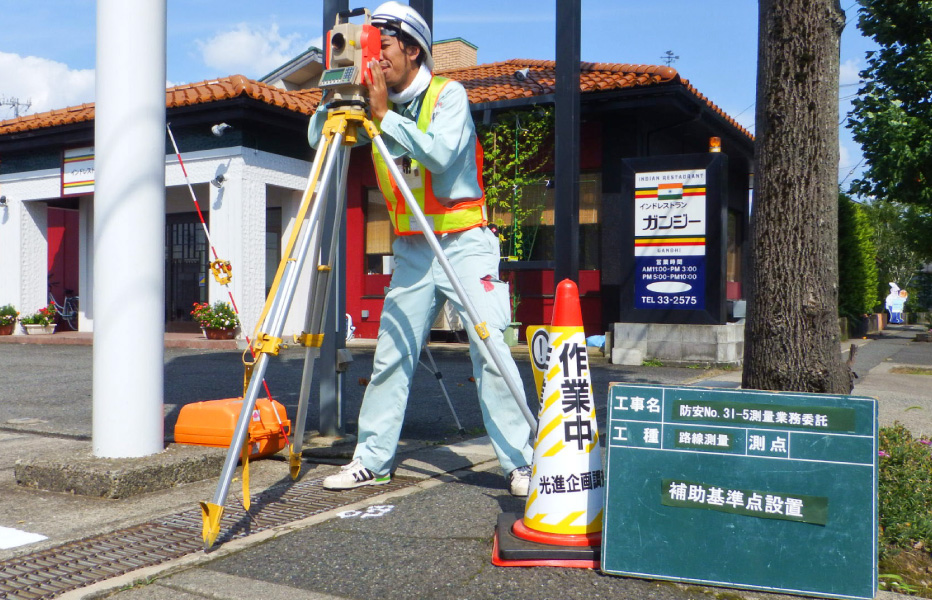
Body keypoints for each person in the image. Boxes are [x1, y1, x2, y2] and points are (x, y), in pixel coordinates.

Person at [309, 1, 534, 496]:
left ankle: (522, 463)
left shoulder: (447, 95)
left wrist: (384, 115)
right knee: (391, 356)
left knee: (490, 347)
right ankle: (372, 460)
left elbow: (437, 154)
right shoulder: (372, 100)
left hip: (465, 243)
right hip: (411, 251)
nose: (376, 56)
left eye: (382, 46)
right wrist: (337, 99)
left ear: (413, 50)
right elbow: (318, 141)